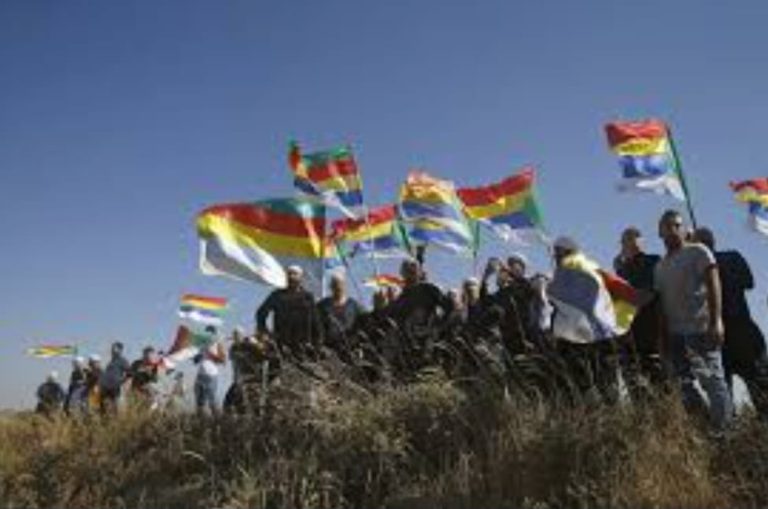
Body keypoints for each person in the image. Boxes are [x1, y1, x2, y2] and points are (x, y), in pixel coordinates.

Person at [655, 210, 733, 431]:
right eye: (667, 226)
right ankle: (706, 428)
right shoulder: (659, 267)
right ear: (660, 232)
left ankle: (724, 434)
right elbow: (661, 303)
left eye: (677, 225)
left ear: (685, 229)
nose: (672, 230)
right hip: (675, 334)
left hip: (701, 328)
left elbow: (713, 283)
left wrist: (716, 321)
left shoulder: (698, 251)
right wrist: (662, 336)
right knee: (683, 385)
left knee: (713, 382)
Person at [694, 227, 768, 419]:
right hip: (729, 335)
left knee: (748, 389)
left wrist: (713, 269)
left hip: (731, 334)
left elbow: (748, 282)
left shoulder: (721, 261)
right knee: (733, 393)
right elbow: (749, 282)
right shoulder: (730, 258)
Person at [548, 236, 621, 405]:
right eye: (556, 256)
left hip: (595, 345)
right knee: (579, 392)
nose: (558, 260)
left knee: (605, 390)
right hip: (570, 347)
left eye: (561, 255)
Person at [613, 227, 665, 400]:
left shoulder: (652, 261)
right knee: (633, 382)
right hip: (628, 336)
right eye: (624, 240)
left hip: (649, 330)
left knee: (659, 381)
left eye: (632, 238)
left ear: (641, 241)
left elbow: (648, 294)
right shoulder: (622, 270)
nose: (628, 243)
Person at [256, 265, 323, 360]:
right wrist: (265, 332)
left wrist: (318, 344)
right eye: (289, 274)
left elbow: (316, 322)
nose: (291, 276)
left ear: (301, 277)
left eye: (295, 274)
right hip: (282, 346)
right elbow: (261, 313)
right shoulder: (277, 296)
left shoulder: (308, 297)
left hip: (303, 347)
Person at [317, 273, 364, 360]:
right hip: (328, 351)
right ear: (331, 286)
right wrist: (320, 346)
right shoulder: (322, 305)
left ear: (345, 285)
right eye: (335, 284)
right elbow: (317, 327)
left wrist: (359, 347)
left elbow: (360, 328)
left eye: (340, 284)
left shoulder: (354, 306)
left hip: (349, 350)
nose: (338, 287)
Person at [194, 327, 226, 416]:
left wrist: (210, 354)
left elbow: (223, 360)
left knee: (212, 401)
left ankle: (219, 421)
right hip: (200, 374)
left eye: (209, 333)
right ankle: (201, 422)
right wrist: (197, 355)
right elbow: (195, 361)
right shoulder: (202, 345)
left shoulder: (218, 344)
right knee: (199, 403)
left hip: (211, 376)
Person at [99, 342, 131, 415]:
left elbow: (129, 373)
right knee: (104, 406)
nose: (112, 349)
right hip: (106, 388)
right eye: (112, 348)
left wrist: (123, 382)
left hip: (115, 387)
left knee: (115, 406)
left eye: (114, 348)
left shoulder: (122, 360)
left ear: (120, 350)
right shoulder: (110, 362)